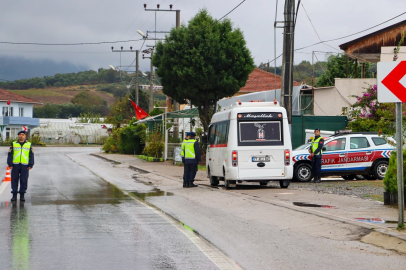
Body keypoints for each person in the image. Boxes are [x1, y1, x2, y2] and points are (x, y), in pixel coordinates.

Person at [7, 130, 34, 201]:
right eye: (20, 134)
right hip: (15, 165)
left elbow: (31, 155)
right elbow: (10, 154)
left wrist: (31, 164)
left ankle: (22, 195)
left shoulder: (29, 144)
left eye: (23, 134)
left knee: (24, 180)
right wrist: (10, 164)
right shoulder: (14, 144)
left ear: (25, 136)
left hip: (25, 165)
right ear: (18, 136)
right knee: (14, 180)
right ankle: (14, 195)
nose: (21, 136)